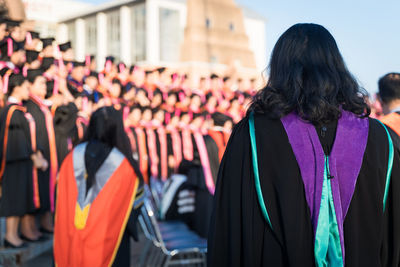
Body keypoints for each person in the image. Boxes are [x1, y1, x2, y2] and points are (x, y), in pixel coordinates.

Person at [208, 23, 400, 266]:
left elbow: (230, 233)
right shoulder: (380, 138)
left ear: (280, 69)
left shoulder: (253, 135)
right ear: (337, 67)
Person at [54, 106, 144, 267]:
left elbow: (62, 200)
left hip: (71, 238)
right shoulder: (124, 166)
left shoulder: (71, 158)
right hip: (110, 240)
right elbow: (134, 207)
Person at [0, 74, 47, 248]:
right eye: (26, 87)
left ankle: (15, 234)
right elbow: (15, 139)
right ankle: (10, 235)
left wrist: (35, 153)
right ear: (17, 87)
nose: (29, 91)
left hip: (22, 160)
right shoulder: (11, 111)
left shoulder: (19, 110)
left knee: (20, 197)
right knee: (14, 197)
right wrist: (33, 156)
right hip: (14, 162)